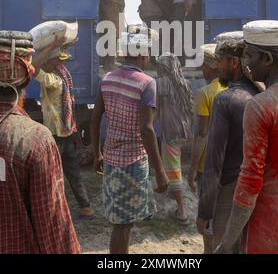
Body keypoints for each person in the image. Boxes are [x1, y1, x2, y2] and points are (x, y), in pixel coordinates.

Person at [215, 20, 278, 254]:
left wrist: (227, 243)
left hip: (271, 232)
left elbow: (250, 182)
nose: (247, 64)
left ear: (268, 59)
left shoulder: (260, 106)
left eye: (250, 55)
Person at [0, 30, 80, 253]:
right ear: (26, 74)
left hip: (64, 133)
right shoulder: (33, 140)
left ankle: (84, 206)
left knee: (72, 173)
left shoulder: (61, 79)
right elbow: (54, 229)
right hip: (55, 135)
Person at [90, 26, 168, 254]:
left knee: (121, 222)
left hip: (112, 160)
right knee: (123, 225)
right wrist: (160, 171)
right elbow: (146, 129)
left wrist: (97, 154)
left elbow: (95, 119)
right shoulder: (146, 83)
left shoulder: (107, 79)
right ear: (144, 55)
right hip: (133, 162)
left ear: (124, 53)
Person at [197, 31, 260, 253]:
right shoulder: (259, 95)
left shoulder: (225, 100)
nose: (217, 67)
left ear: (234, 62)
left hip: (229, 193)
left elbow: (214, 163)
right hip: (256, 192)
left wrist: (204, 211)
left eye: (220, 61)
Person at [32, 36, 95, 220]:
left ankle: (53, 211)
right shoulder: (64, 75)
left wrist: (51, 45)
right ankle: (86, 208)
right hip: (65, 132)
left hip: (55, 135)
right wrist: (61, 44)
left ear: (51, 62)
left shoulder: (54, 80)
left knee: (50, 173)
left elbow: (33, 68)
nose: (43, 64)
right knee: (73, 172)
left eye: (46, 61)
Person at [188, 44, 228, 252]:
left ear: (211, 67)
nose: (202, 71)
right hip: (230, 164)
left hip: (208, 166)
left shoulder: (205, 93)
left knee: (207, 217)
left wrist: (193, 168)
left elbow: (201, 134)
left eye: (203, 66)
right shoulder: (235, 89)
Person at [156, 53, 193, 224]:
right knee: (173, 164)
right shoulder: (184, 83)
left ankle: (182, 212)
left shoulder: (162, 82)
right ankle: (173, 192)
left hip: (170, 131)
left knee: (173, 169)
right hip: (183, 130)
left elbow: (155, 110)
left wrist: (146, 125)